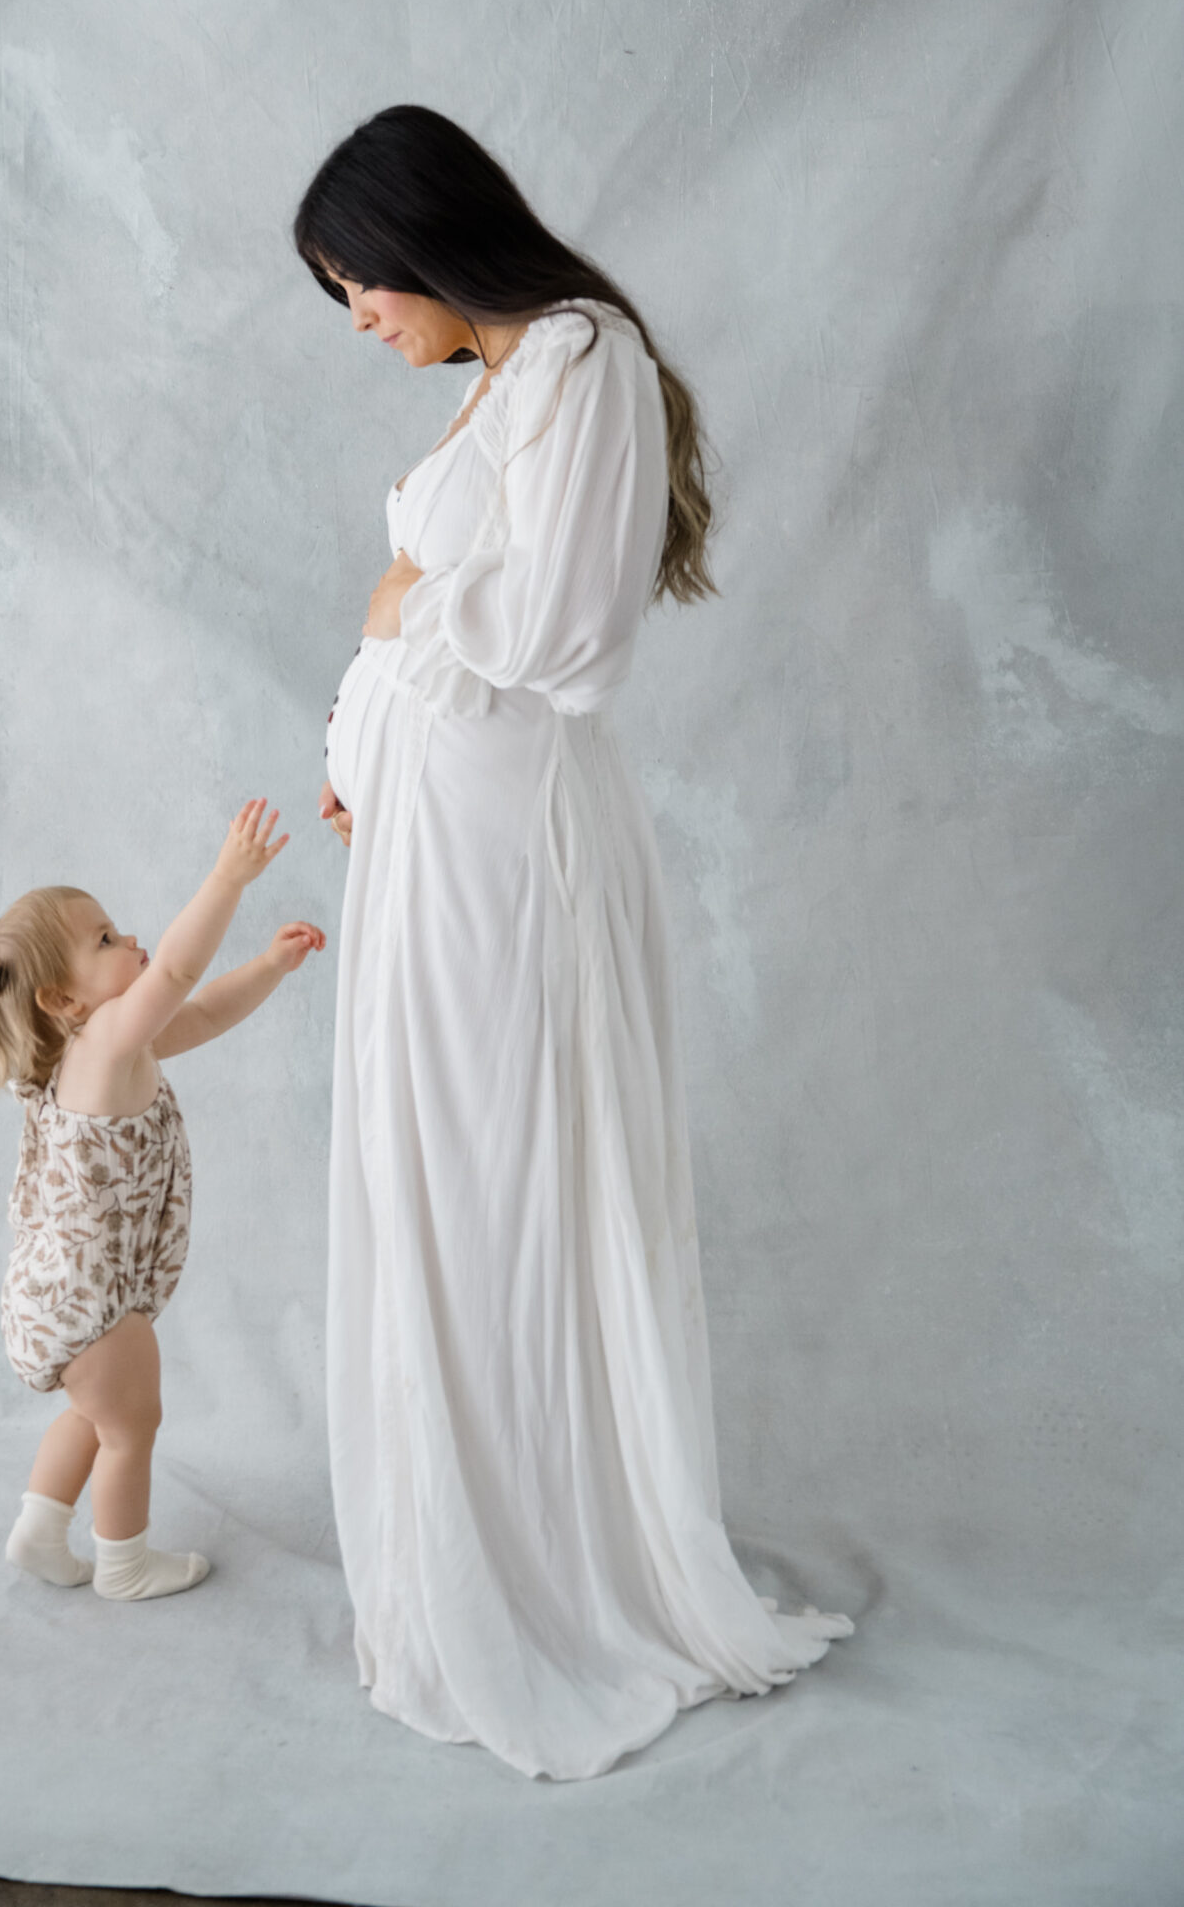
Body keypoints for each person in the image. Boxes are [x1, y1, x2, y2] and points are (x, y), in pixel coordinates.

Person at [301, 105, 850, 1778]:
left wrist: (400, 618)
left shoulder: (580, 357)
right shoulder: (502, 376)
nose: (356, 322)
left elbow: (568, 637)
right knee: (440, 1176)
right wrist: (358, 746)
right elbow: (460, 619)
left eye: (354, 282)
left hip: (504, 848)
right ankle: (480, 1558)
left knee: (500, 1176)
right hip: (432, 837)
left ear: (423, 233)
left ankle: (548, 1580)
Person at [0, 801, 324, 1604]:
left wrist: (267, 968)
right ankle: (123, 1562)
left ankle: (39, 1530)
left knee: (93, 1416)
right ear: (61, 1002)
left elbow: (201, 1010)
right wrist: (227, 880)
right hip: (92, 1304)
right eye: (105, 943)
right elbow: (177, 976)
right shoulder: (105, 1047)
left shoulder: (108, 1048)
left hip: (64, 1292)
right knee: (132, 1425)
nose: (130, 943)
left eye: (117, 930)